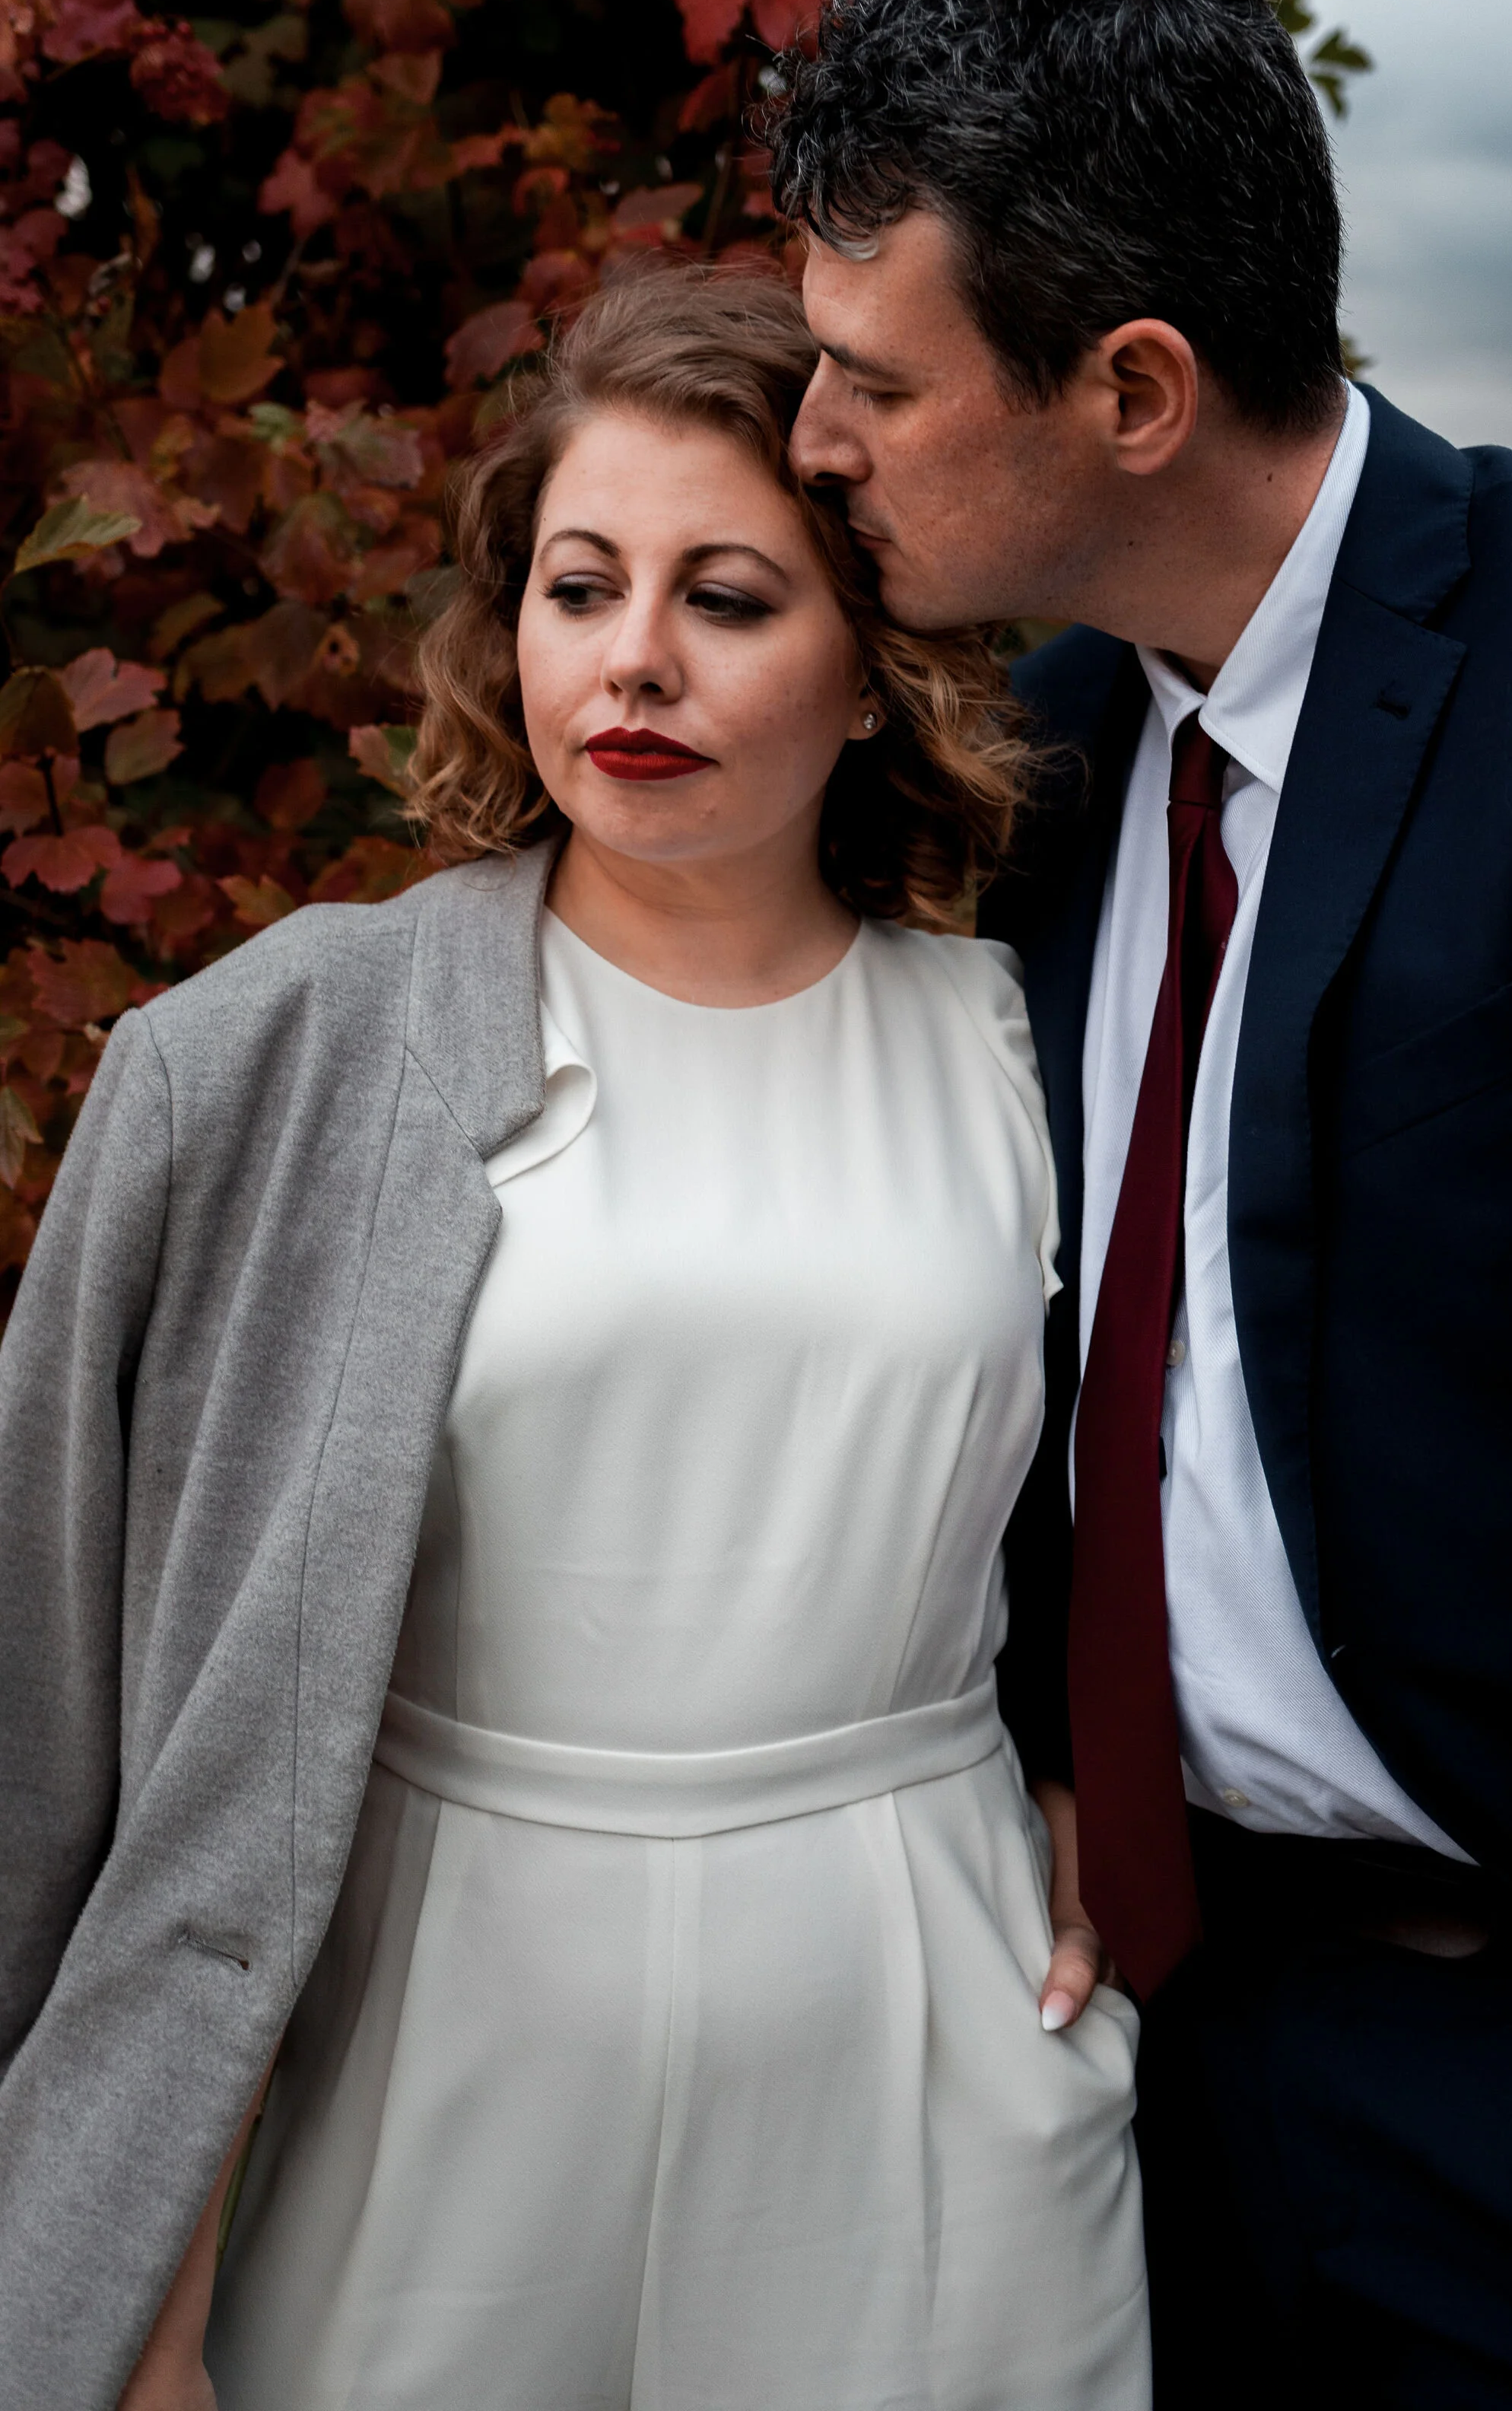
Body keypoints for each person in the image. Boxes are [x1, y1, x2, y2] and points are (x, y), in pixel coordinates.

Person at [773, 0, 1512, 2409]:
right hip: (1147, 2077)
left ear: (1131, 387)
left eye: (867, 383)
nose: (810, 444)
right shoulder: (1043, 752)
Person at [0, 260, 1149, 2411]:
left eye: (728, 599)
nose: (633, 661)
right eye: (577, 585)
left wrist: (1099, 1777)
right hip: (445, 2022)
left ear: (872, 667)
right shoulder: (267, 1057)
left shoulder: (1020, 1037)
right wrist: (125, 2270)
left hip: (923, 1999)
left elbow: (1144, 1487)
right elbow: (51, 1692)